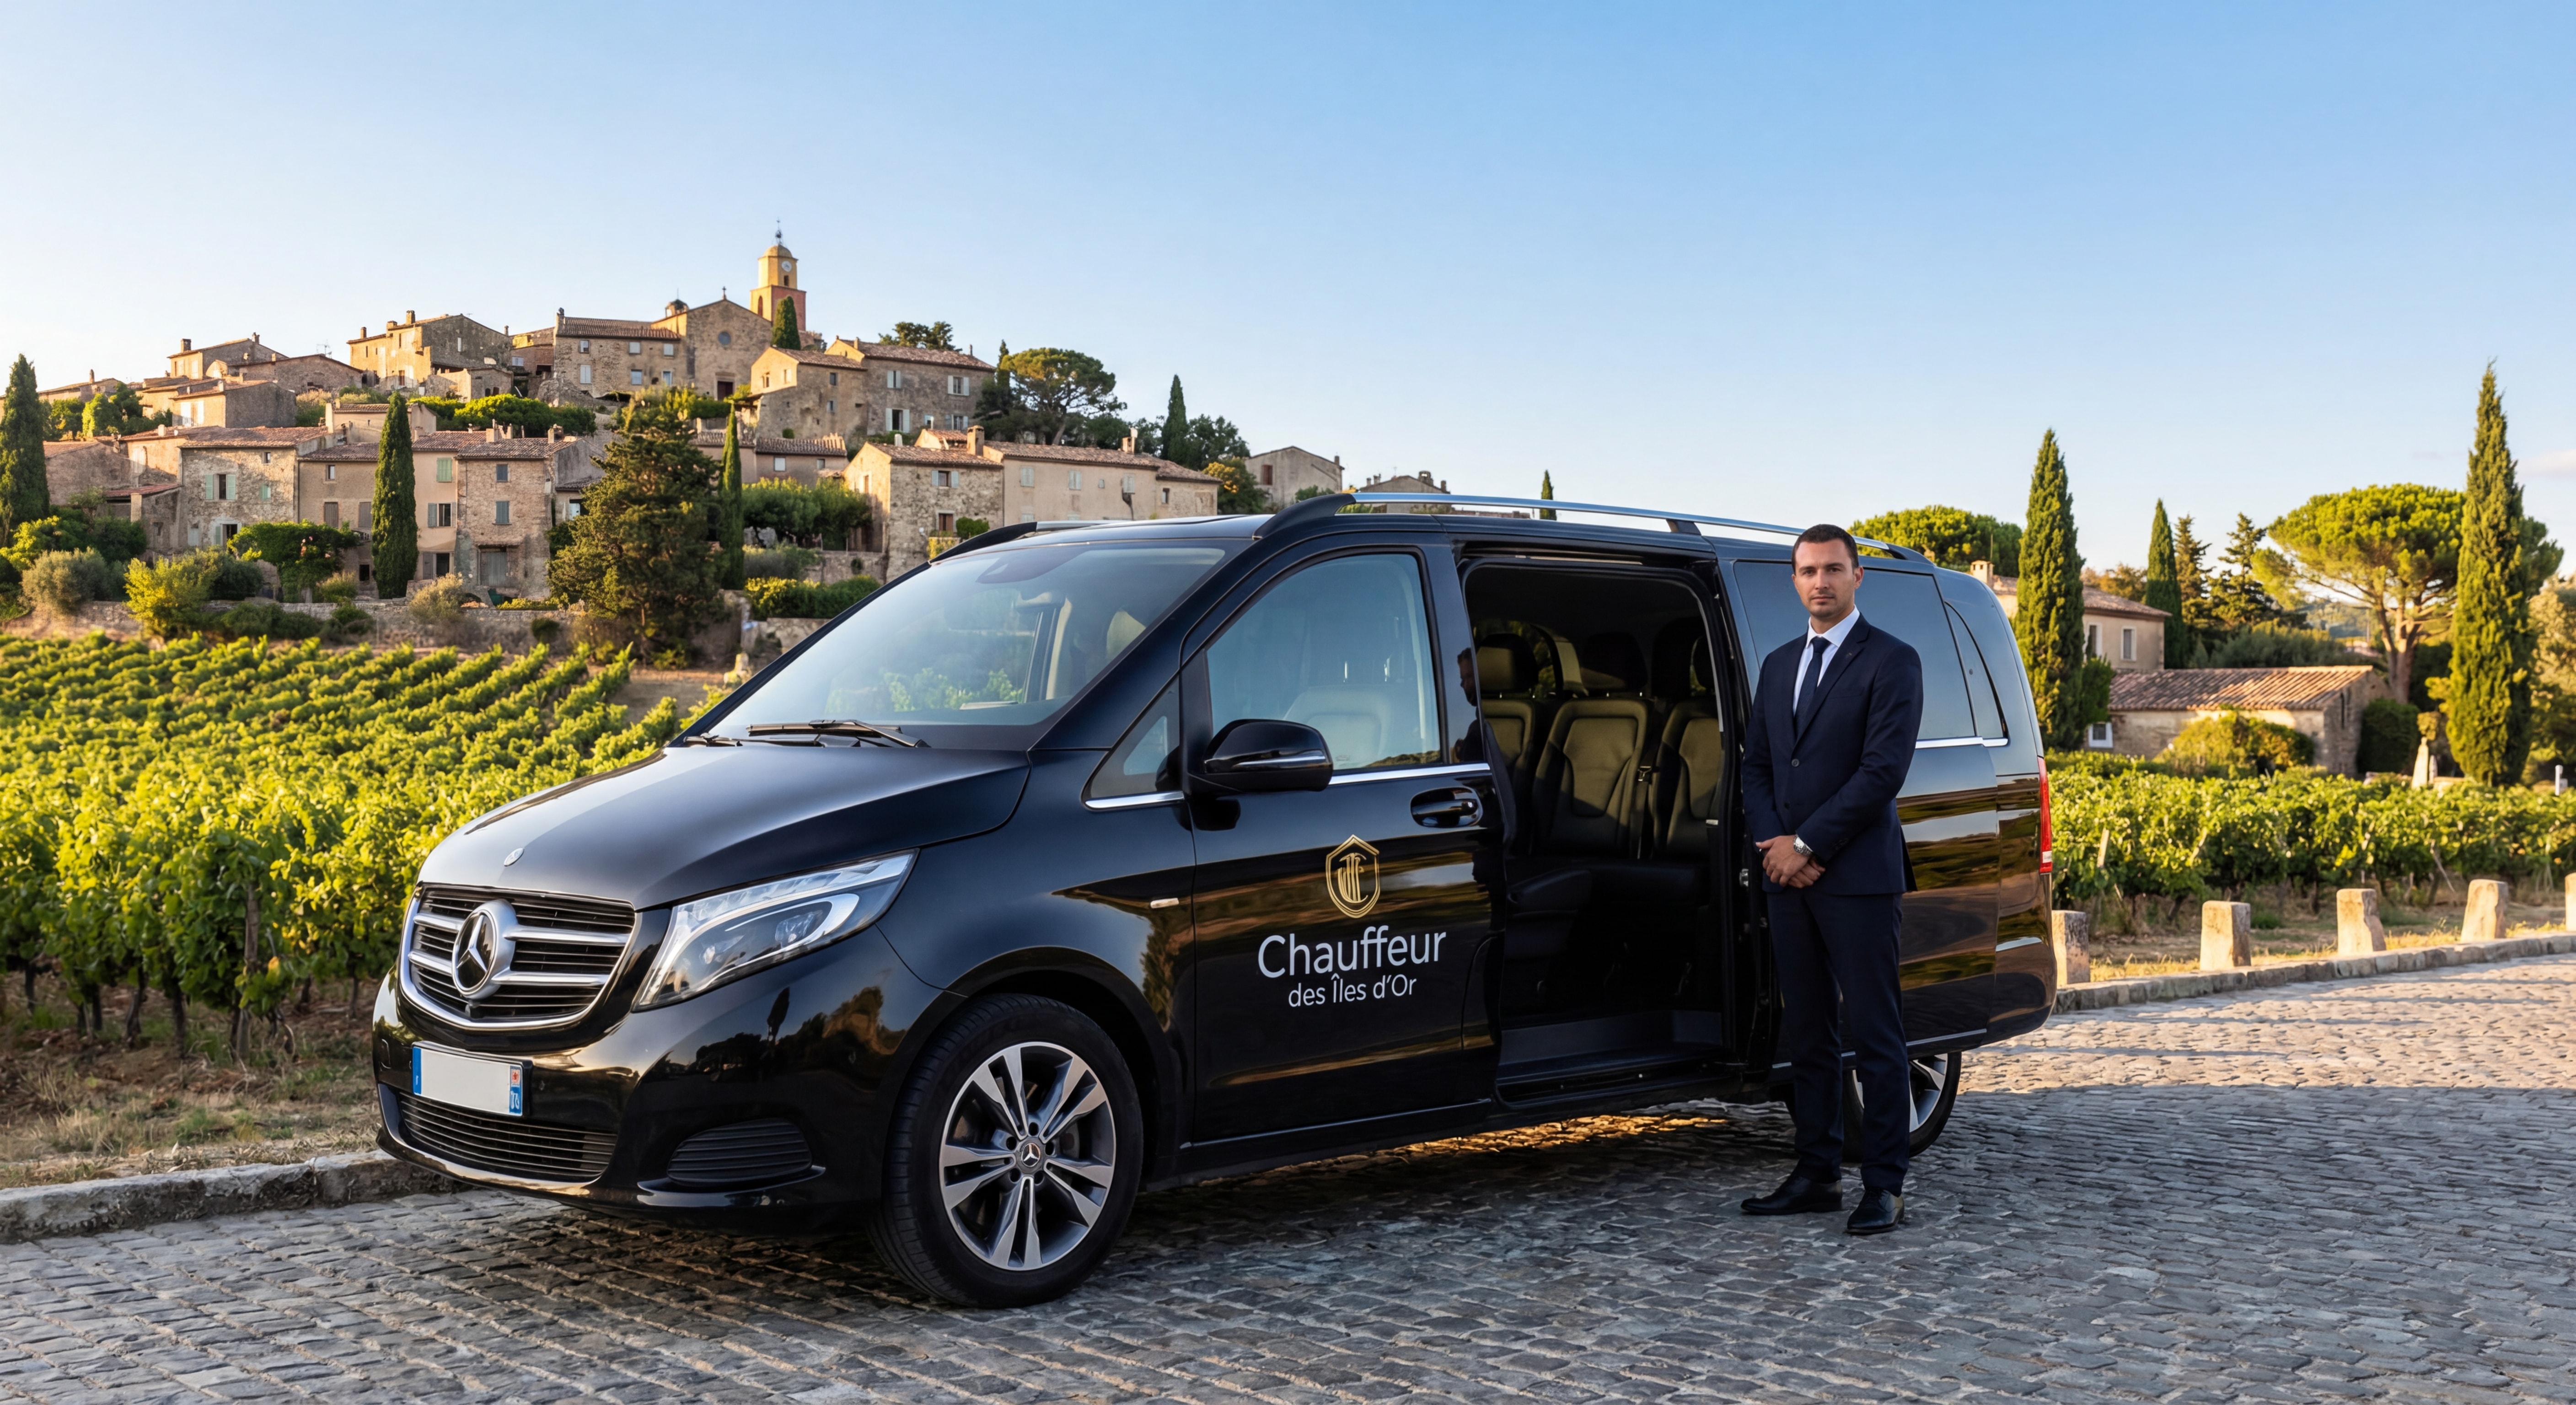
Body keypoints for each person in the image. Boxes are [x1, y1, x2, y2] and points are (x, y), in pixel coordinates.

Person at [1736, 523, 1924, 1236]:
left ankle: (1884, 1185)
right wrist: (1774, 845)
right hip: (1788, 875)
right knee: (1807, 1031)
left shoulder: (1893, 661)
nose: (1821, 582)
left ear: (1857, 578)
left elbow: (1882, 772)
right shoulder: (1779, 663)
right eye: (1809, 571)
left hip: (1859, 878)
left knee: (1875, 1034)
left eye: (1834, 570)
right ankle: (1815, 1173)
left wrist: (1808, 842)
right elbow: (1757, 766)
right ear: (1793, 581)